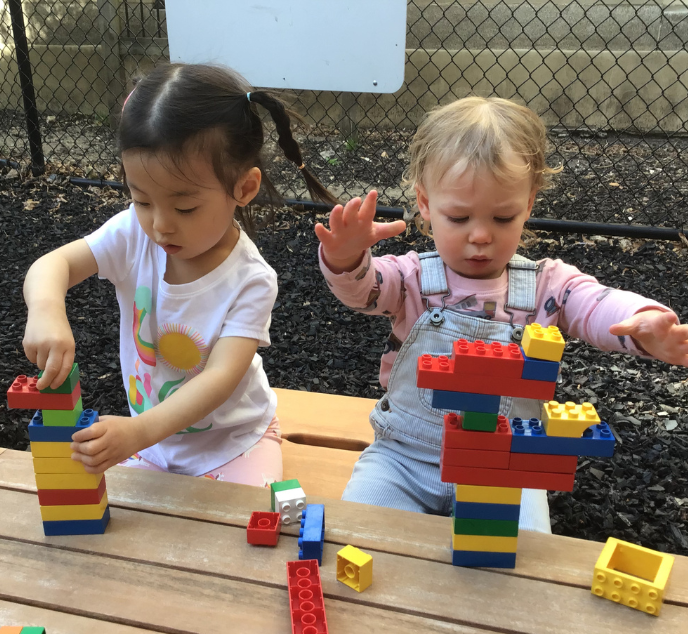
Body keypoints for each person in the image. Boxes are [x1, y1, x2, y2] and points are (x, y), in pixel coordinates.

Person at [315, 96, 688, 531]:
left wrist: (642, 321)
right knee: (360, 534)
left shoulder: (547, 287)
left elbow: (594, 302)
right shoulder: (412, 276)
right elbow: (364, 291)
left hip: (506, 463)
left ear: (528, 205)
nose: (479, 236)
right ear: (424, 203)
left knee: (522, 561)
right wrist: (344, 258)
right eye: (458, 217)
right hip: (405, 456)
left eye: (503, 217)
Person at [22, 62, 337, 486]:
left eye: (185, 207)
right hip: (150, 445)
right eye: (141, 200)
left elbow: (220, 380)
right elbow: (52, 265)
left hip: (232, 443)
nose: (161, 225)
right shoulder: (133, 234)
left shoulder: (250, 279)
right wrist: (45, 311)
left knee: (238, 533)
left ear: (244, 188)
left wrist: (136, 433)